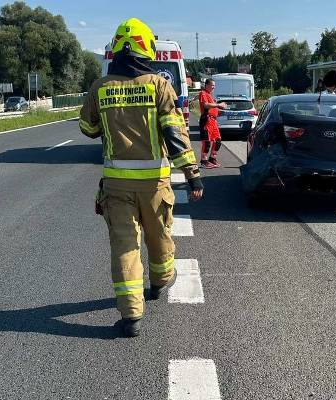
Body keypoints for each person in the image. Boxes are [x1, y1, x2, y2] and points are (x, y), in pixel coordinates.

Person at [79, 17, 204, 337]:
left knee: (124, 248)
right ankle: (161, 281)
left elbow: (88, 128)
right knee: (160, 237)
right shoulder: (160, 85)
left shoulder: (99, 88)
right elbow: (176, 134)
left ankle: (131, 316)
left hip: (117, 186)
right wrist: (192, 174)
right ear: (146, 48)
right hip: (155, 185)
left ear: (117, 50)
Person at [198, 78, 227, 168]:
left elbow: (213, 108)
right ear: (206, 85)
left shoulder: (210, 95)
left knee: (217, 140)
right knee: (207, 142)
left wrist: (221, 109)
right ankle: (204, 160)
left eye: (214, 85)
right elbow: (206, 105)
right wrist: (218, 105)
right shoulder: (203, 93)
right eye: (212, 85)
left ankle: (212, 158)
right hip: (207, 120)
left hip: (213, 121)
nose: (213, 87)